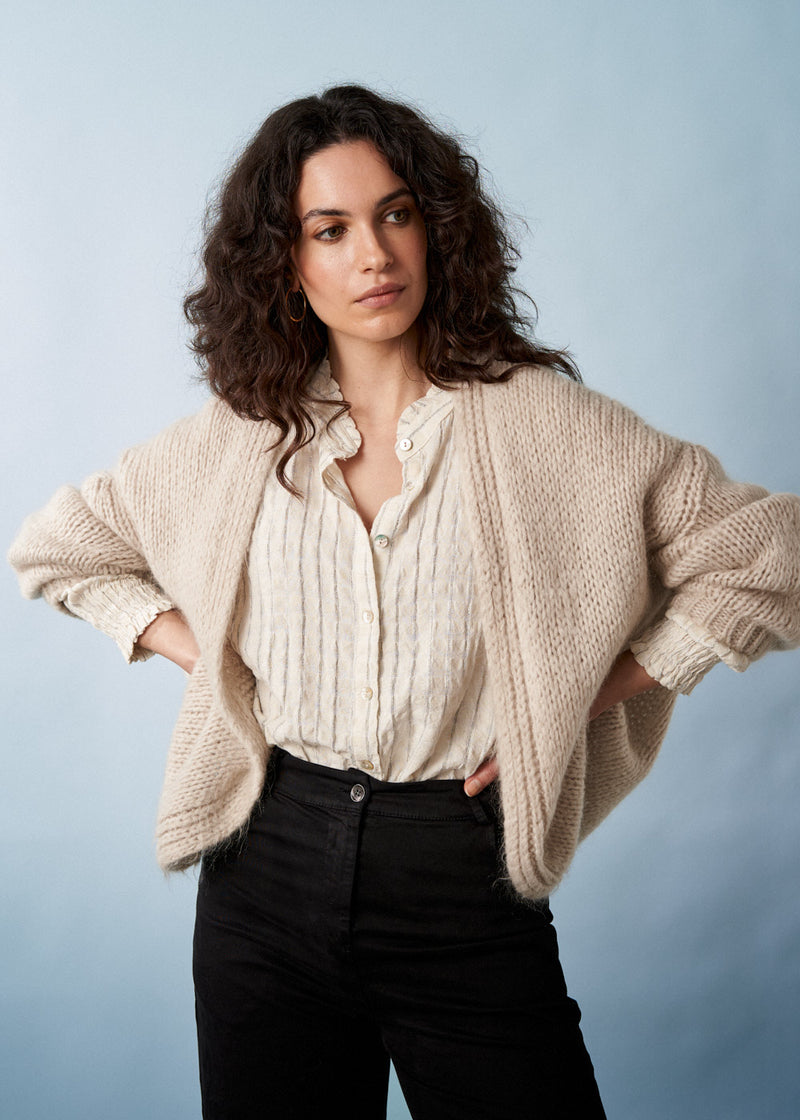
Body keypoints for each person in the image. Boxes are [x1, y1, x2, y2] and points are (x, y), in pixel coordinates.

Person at [7, 83, 800, 1120]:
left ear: (434, 227)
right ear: (285, 265)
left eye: (394, 214)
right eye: (329, 230)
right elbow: (57, 550)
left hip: (456, 872)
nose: (373, 255)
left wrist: (579, 692)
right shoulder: (242, 436)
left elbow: (767, 553)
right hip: (263, 862)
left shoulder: (545, 428)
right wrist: (199, 650)